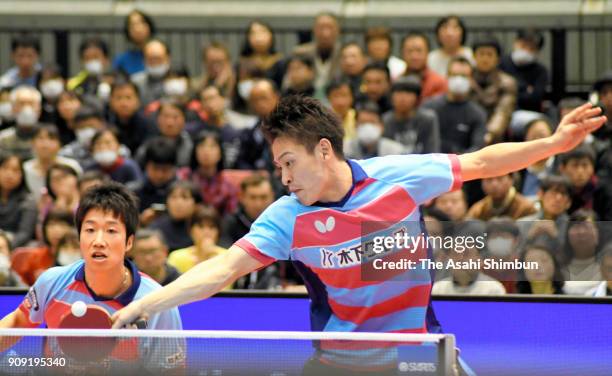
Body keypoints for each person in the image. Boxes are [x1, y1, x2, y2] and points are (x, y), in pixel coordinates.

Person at [112, 95, 606, 373]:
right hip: (340, 364)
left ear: (323, 151)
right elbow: (222, 269)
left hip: (420, 354)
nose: (283, 178)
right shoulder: (287, 217)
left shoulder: (397, 176)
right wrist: (143, 306)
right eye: (277, 165)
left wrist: (554, 143)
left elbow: (479, 161)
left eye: (289, 163)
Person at [0, 182, 184, 373]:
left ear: (129, 242)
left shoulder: (156, 303)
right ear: (79, 237)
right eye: (90, 230)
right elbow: (17, 322)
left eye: (111, 231)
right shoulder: (52, 281)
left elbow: (171, 371)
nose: (98, 241)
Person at [422, 57, 487, 154]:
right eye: (454, 75)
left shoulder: (478, 114)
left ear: (471, 79)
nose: (459, 80)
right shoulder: (429, 107)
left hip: (462, 164)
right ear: (447, 76)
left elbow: (477, 149)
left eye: (464, 76)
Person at [179, 130, 238, 217]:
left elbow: (230, 218)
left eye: (212, 146)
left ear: (220, 153)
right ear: (195, 151)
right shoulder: (182, 177)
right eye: (201, 146)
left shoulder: (228, 187)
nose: (206, 151)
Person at [471, 35, 517, 144]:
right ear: (474, 57)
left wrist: (489, 134)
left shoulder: (507, 82)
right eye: (481, 54)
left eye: (489, 54)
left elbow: (503, 112)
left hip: (495, 135)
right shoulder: (466, 78)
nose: (485, 59)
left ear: (497, 58)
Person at [382, 76, 440, 154]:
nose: (403, 98)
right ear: (391, 96)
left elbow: (432, 150)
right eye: (398, 93)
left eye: (408, 93)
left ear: (417, 98)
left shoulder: (428, 119)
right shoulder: (385, 120)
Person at [499, 28, 549, 112]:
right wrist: (525, 88)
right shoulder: (501, 63)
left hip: (527, 113)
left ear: (537, 51)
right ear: (515, 43)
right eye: (523, 46)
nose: (526, 51)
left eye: (531, 48)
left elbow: (535, 99)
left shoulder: (541, 71)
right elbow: (497, 94)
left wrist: (512, 91)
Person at [293, 12, 342, 97]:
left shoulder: (344, 54)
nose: (325, 33)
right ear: (314, 30)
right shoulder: (300, 53)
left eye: (330, 27)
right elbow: (288, 84)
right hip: (307, 100)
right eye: (321, 28)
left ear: (338, 30)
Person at [168, 206, 227, 275]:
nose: (206, 232)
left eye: (212, 227)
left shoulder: (227, 256)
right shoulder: (177, 257)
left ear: (218, 232)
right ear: (191, 230)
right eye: (201, 226)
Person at [0, 151, 37, 248]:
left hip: (15, 247)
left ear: (22, 175)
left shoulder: (28, 200)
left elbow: (25, 233)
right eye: (5, 168)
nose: (9, 174)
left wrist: (6, 246)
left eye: (15, 170)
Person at [466, 173, 537, 220]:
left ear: (511, 180)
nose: (494, 184)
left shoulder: (526, 208)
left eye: (500, 178)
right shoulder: (477, 211)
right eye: (489, 179)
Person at [401, 31, 447, 101]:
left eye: (419, 51)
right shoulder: (397, 82)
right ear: (402, 54)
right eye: (410, 51)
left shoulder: (439, 83)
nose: (414, 56)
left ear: (427, 53)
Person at [0, 85, 42, 160]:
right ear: (13, 108)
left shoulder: (49, 137)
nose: (26, 108)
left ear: (39, 108)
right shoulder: (3, 139)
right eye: (21, 103)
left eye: (31, 103)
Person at [113, 9, 155, 75]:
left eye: (141, 23)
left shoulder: (159, 53)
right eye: (132, 25)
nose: (137, 28)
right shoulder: (122, 60)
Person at [130, 39, 172, 106]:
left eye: (158, 58)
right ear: (144, 59)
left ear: (168, 58)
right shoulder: (135, 82)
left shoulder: (179, 80)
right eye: (150, 59)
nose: (154, 63)